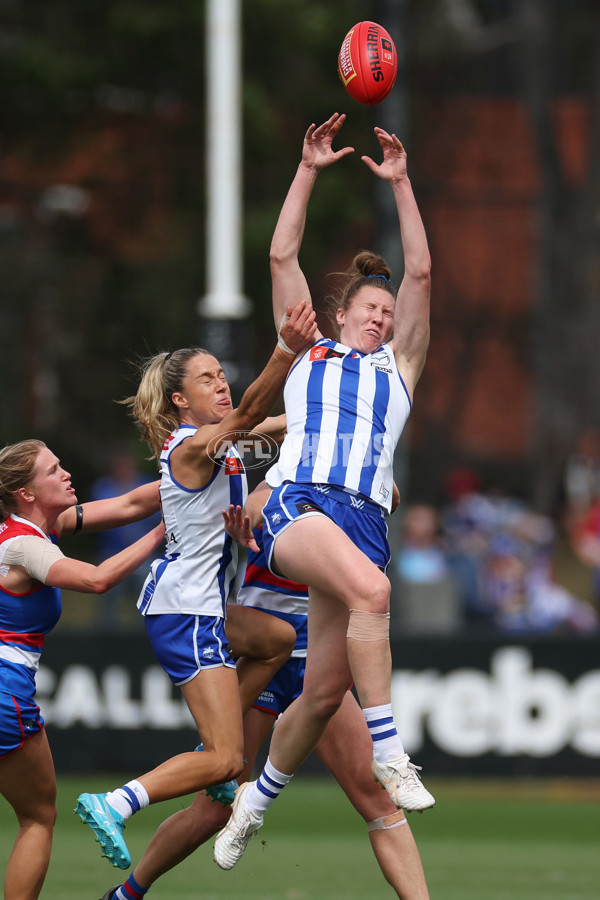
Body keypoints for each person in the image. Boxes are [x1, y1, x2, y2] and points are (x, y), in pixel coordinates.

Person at [214, 112, 433, 870]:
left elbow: (424, 275)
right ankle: (392, 753)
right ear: (341, 315)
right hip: (300, 507)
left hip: (364, 520)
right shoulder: (310, 351)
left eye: (388, 310)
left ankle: (253, 805)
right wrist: (307, 169)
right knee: (372, 593)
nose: (381, 315)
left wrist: (402, 184)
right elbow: (282, 253)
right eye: (369, 308)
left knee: (320, 691)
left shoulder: (397, 372)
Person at [97, 483, 430, 900]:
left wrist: (358, 474)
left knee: (381, 804)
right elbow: (249, 512)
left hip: (318, 666)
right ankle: (126, 894)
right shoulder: (275, 485)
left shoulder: (349, 477)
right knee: (212, 810)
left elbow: (392, 495)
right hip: (268, 660)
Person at [76, 302, 317, 870]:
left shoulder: (223, 445)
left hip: (202, 603)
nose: (222, 384)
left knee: (277, 638)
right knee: (228, 760)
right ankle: (116, 801)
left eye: (221, 374)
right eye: (207, 378)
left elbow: (274, 425)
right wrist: (286, 349)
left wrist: (332, 412)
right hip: (188, 608)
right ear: (181, 400)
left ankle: (212, 752)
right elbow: (256, 411)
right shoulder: (193, 445)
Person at [0, 439, 165, 900]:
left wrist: (193, 468)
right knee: (38, 817)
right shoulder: (23, 547)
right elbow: (96, 580)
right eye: (53, 470)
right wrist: (158, 535)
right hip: (4, 691)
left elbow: (133, 501)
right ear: (26, 493)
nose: (66, 472)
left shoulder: (45, 526)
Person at [90, 448, 162, 629]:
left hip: (144, 557)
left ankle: (146, 637)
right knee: (106, 596)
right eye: (119, 466)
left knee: (151, 598)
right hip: (111, 553)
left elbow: (157, 517)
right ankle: (104, 638)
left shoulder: (146, 484)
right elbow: (103, 521)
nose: (123, 469)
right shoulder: (103, 487)